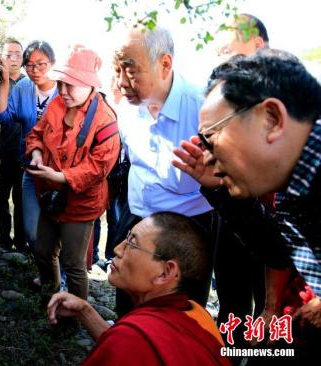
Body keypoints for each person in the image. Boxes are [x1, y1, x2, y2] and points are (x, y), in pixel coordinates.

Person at [173, 49, 321, 357]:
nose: (209, 159)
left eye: (211, 139)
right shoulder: (292, 189)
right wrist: (224, 192)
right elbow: (279, 252)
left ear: (271, 119)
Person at [111, 26, 218, 312]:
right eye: (116, 69)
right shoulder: (127, 108)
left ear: (164, 64)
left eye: (130, 70)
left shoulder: (203, 109)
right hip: (136, 217)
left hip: (188, 227)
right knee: (128, 305)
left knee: (179, 316)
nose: (121, 82)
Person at [47, 212, 231, 366]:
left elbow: (129, 345)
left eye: (132, 244)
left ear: (165, 272)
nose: (117, 249)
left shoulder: (131, 339)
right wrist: (85, 310)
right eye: (126, 238)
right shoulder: (199, 316)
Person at [25, 45, 120, 299]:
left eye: (72, 85)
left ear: (90, 85)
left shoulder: (104, 120)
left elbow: (99, 167)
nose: (64, 91)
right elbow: (36, 134)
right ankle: (51, 294)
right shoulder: (56, 105)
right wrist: (36, 153)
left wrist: (63, 177)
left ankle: (74, 316)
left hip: (81, 204)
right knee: (44, 252)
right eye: (61, 84)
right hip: (50, 195)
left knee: (73, 263)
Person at [0, 40, 58, 253]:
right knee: (32, 230)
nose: (35, 70)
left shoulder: (63, 90)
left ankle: (58, 277)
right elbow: (3, 116)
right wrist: (4, 81)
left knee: (57, 224)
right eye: (30, 65)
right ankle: (43, 266)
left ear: (53, 63)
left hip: (58, 169)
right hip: (30, 167)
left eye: (42, 64)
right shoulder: (23, 87)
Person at [0, 38, 26, 252]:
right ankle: (4, 241)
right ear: (1, 57)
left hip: (24, 153)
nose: (13, 57)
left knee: (22, 201)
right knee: (0, 197)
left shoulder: (29, 84)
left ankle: (21, 243)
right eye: (8, 53)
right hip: (0, 152)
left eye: (18, 53)